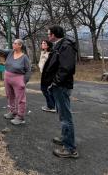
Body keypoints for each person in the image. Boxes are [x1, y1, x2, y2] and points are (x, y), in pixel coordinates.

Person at [42, 25, 79, 158]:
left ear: (53, 35)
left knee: (65, 117)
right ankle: (65, 138)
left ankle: (70, 149)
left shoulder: (66, 46)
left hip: (61, 86)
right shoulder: (60, 44)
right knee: (62, 114)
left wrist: (55, 82)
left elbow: (67, 68)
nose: (48, 36)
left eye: (49, 33)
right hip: (59, 86)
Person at [0, 39, 31, 125]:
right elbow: (1, 50)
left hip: (18, 78)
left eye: (15, 43)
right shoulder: (10, 52)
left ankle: (20, 117)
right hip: (8, 77)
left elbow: (28, 70)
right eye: (13, 43)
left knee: (20, 99)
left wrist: (24, 81)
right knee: (9, 96)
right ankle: (12, 112)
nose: (13, 44)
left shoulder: (24, 57)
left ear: (20, 45)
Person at [38, 40, 56, 112]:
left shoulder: (50, 54)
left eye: (44, 43)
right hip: (44, 74)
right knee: (49, 90)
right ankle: (52, 106)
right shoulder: (42, 52)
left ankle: (51, 106)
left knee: (44, 89)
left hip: (48, 74)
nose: (42, 44)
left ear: (48, 45)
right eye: (42, 43)